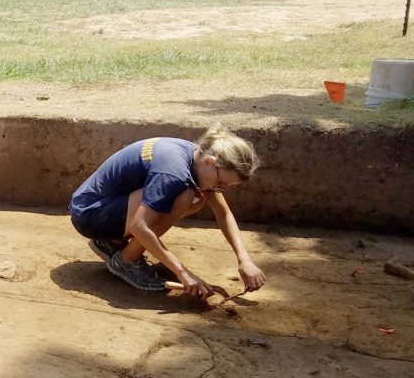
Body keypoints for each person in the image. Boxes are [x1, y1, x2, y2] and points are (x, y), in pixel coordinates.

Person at [68, 124, 266, 298]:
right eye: (220, 182)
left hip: (100, 206)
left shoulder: (195, 154)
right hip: (90, 215)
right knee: (186, 196)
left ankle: (113, 242)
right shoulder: (174, 173)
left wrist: (244, 260)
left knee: (191, 197)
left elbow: (223, 213)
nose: (220, 189)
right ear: (209, 162)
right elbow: (139, 225)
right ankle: (126, 261)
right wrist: (182, 272)